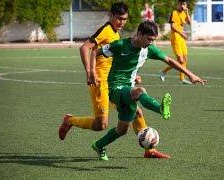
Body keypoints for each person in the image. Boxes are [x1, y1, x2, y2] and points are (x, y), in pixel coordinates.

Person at [58, 2, 170, 159]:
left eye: (125, 19)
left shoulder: (116, 34)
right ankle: (70, 120)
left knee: (136, 110)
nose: (122, 22)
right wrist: (90, 73)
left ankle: (149, 150)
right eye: (119, 19)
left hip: (115, 82)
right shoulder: (106, 30)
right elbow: (85, 48)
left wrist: (133, 74)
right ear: (111, 16)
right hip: (100, 82)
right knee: (100, 125)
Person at [89, 21, 207, 161]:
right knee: (139, 91)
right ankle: (160, 109)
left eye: (153, 40)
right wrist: (92, 72)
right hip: (115, 88)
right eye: (149, 39)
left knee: (122, 130)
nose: (151, 43)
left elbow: (169, 60)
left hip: (128, 88)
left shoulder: (149, 49)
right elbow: (95, 51)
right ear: (139, 34)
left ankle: (98, 145)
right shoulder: (120, 45)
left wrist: (190, 74)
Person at [158, 0, 192, 84]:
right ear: (178, 4)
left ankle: (182, 79)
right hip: (176, 37)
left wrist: (187, 12)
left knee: (184, 59)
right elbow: (172, 27)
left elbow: (190, 23)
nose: (183, 6)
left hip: (181, 38)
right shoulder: (174, 13)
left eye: (184, 4)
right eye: (182, 4)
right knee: (180, 60)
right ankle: (163, 71)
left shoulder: (184, 13)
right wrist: (182, 33)